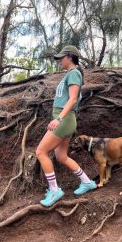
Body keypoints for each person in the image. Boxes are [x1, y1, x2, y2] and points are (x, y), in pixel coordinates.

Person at [36, 45, 96, 207]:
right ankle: (87, 182)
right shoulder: (70, 74)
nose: (59, 61)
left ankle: (54, 190)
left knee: (41, 151)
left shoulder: (74, 73)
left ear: (69, 57)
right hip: (65, 120)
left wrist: (59, 119)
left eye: (61, 58)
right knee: (61, 156)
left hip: (65, 119)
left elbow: (72, 99)